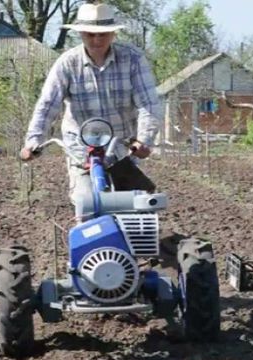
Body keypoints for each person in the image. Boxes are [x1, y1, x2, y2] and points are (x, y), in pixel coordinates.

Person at [20, 2, 162, 214]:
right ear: (80, 34)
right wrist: (33, 141)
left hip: (121, 149)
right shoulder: (67, 64)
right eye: (90, 34)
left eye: (103, 34)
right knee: (87, 206)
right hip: (81, 152)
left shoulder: (132, 59)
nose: (97, 40)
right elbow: (48, 105)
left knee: (138, 209)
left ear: (113, 33)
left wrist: (145, 140)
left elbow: (148, 103)